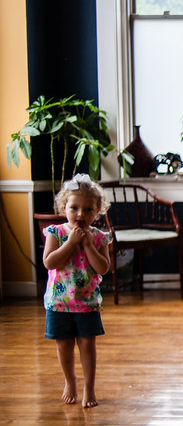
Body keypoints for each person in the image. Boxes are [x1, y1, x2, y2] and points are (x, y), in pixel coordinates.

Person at [42, 173, 112, 409]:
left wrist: (88, 245)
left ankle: (89, 387)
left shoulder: (100, 237)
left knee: (87, 345)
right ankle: (70, 382)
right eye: (74, 208)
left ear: (98, 210)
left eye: (88, 209)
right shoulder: (56, 233)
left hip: (87, 303)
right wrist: (70, 243)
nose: (81, 214)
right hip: (58, 303)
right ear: (64, 207)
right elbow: (50, 262)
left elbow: (103, 268)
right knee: (63, 345)